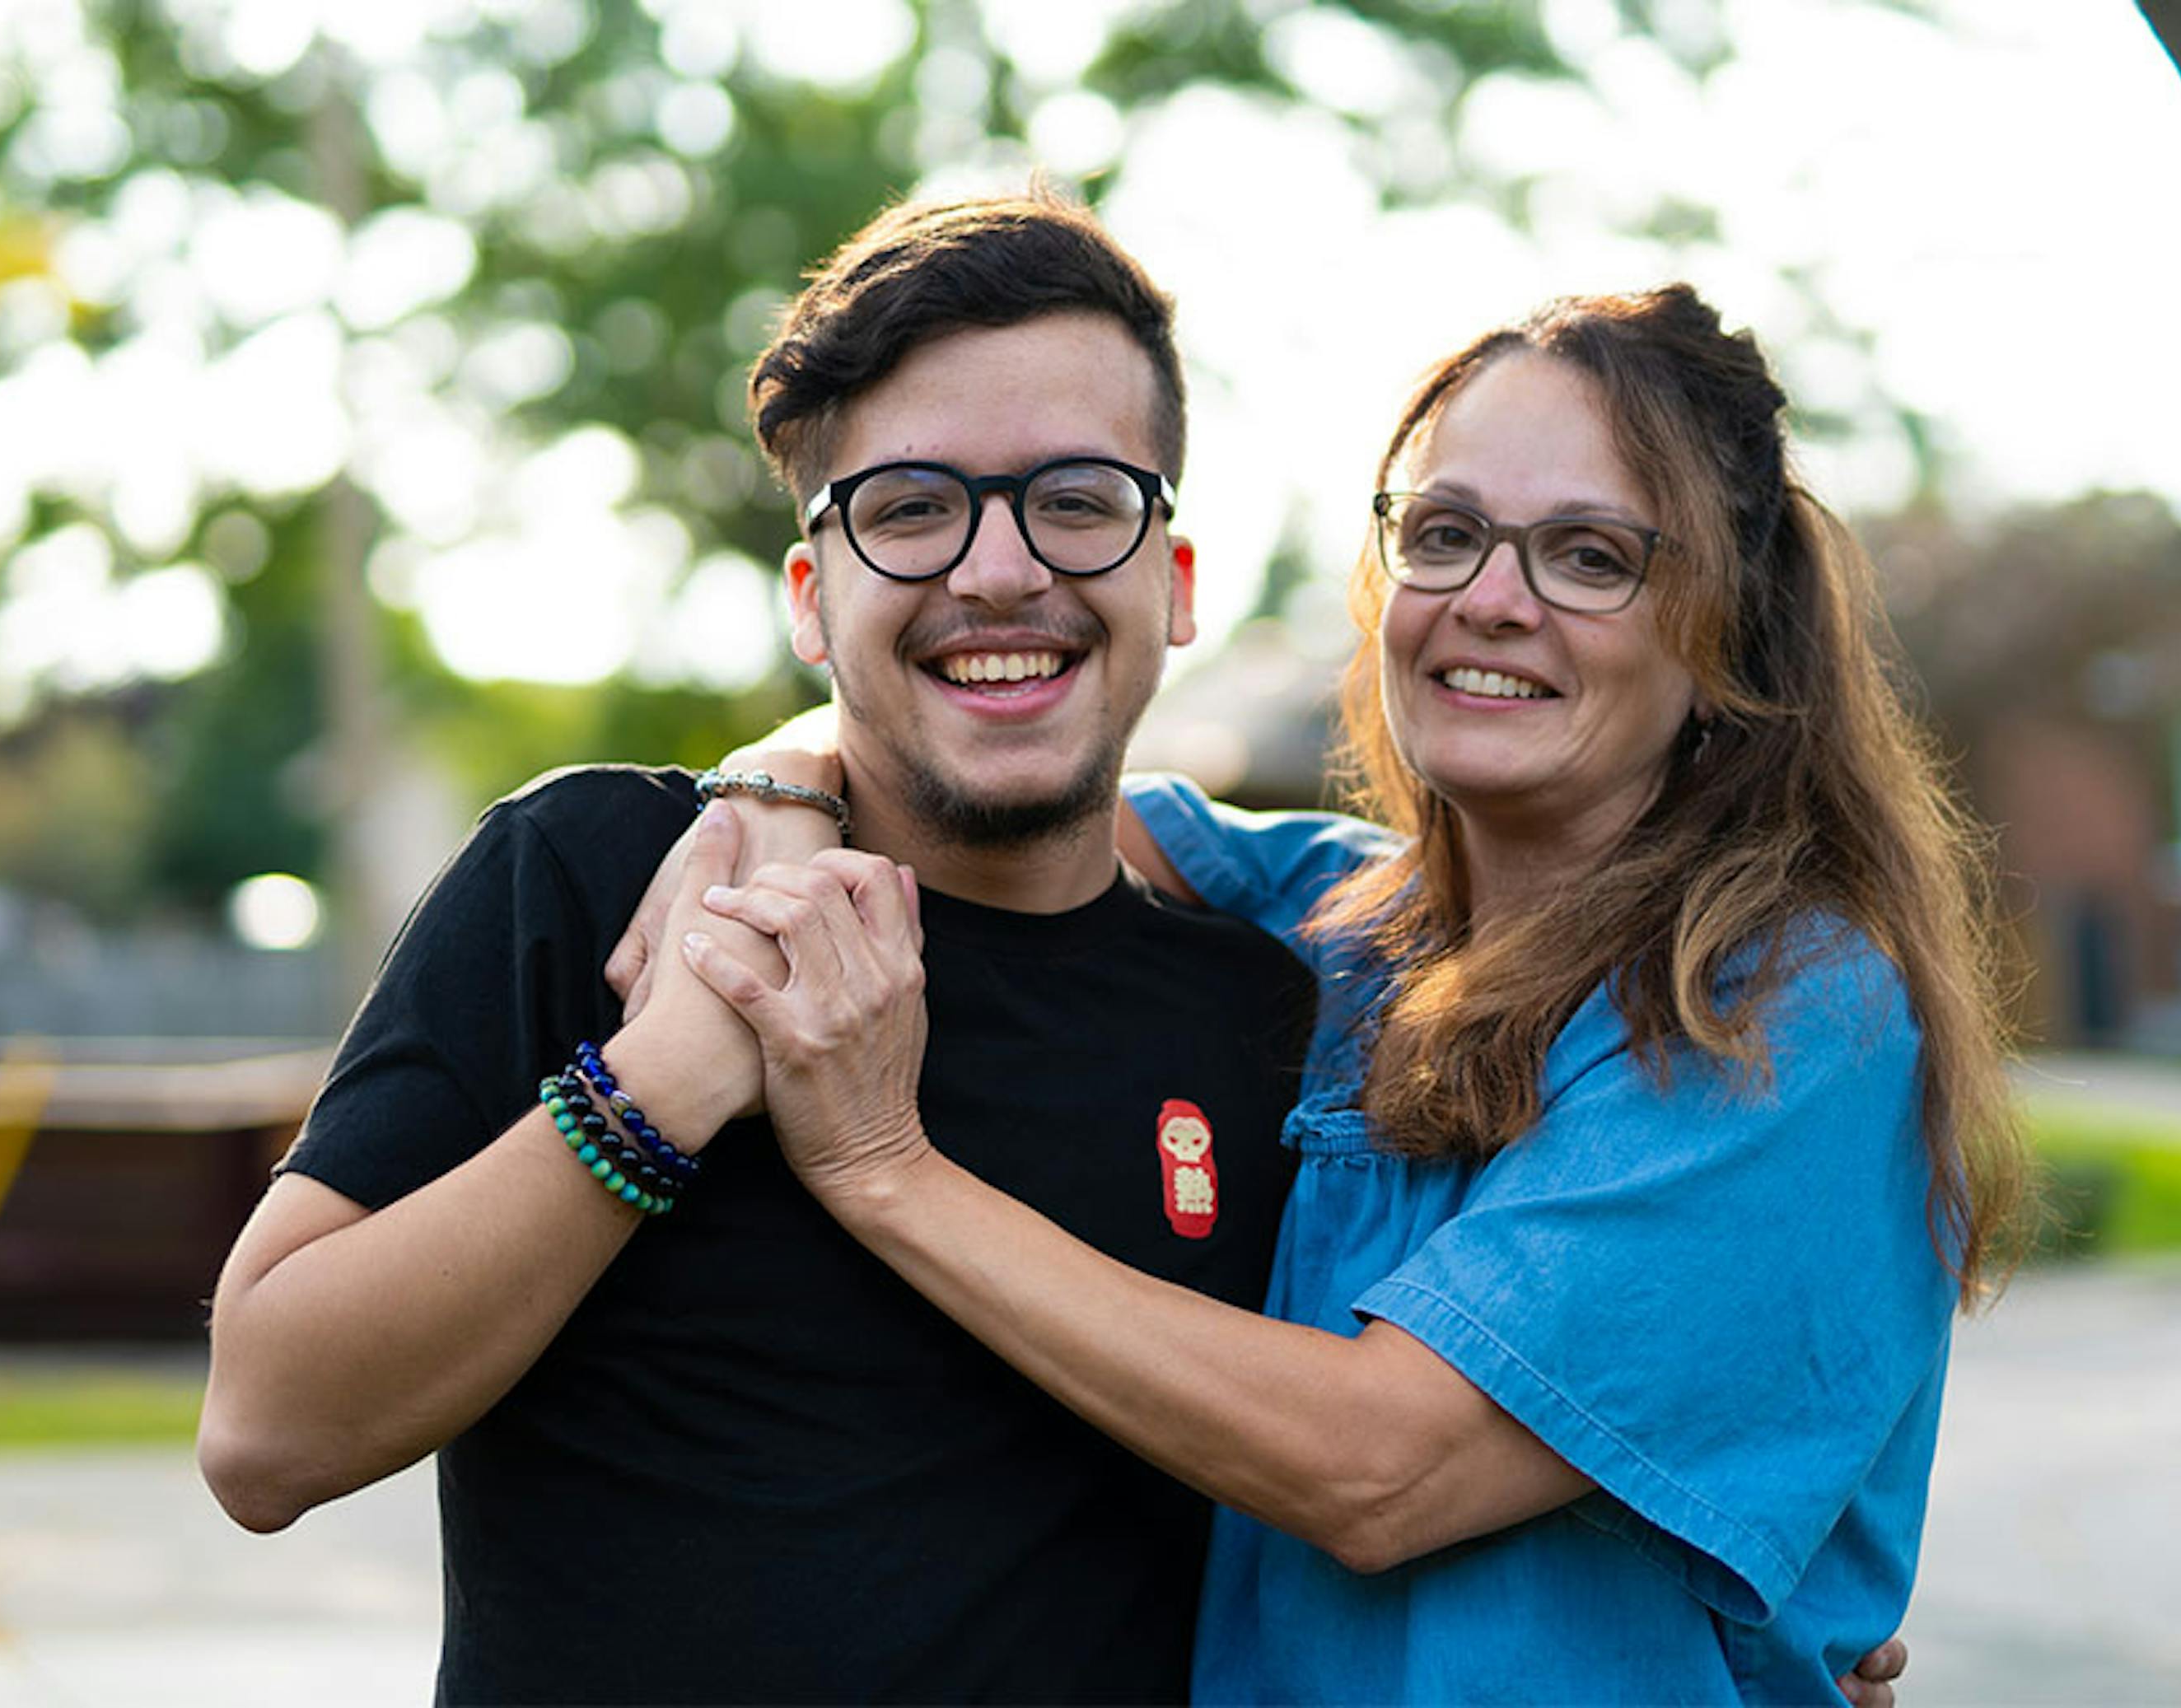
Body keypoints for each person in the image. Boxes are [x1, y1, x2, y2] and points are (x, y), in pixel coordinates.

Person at [675, 284, 2022, 1702]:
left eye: (1588, 555)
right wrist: (775, 786)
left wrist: (885, 1167)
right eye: (1444, 535)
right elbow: (996, 766)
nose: (1490, 599)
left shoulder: (1781, 1009)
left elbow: (1380, 1467)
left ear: (1727, 637)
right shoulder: (1343, 917)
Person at [198, 190, 1319, 1702]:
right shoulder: (597, 877)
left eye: (1077, 497)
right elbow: (267, 1432)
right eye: (913, 506)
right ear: (814, 596)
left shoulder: (1271, 1018)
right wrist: (656, 1084)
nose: (998, 570)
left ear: (1172, 583)